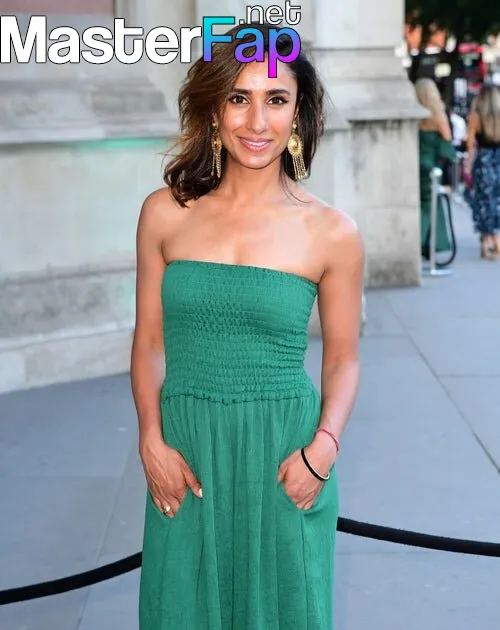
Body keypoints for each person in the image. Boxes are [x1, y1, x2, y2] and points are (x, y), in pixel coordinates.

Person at [130, 23, 364, 630]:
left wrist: (323, 450)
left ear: (298, 113)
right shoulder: (164, 214)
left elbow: (343, 358)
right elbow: (149, 342)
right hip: (185, 454)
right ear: (214, 109)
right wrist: (150, 438)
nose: (257, 122)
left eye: (276, 99)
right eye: (239, 98)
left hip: (286, 456)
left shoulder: (332, 232)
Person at [415, 78, 457, 257]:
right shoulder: (438, 117)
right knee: (430, 204)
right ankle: (423, 242)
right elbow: (447, 142)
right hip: (432, 166)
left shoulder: (416, 118)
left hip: (416, 164)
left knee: (423, 203)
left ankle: (429, 243)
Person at [465, 83, 500, 259]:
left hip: (483, 160)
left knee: (484, 201)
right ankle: (498, 238)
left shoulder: (475, 117)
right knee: (498, 199)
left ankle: (487, 240)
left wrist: (467, 165)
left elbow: (470, 143)